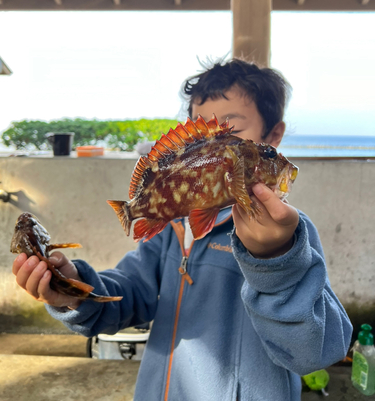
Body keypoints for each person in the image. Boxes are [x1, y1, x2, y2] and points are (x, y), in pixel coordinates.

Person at [12, 59, 352, 401]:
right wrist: (72, 292)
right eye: (201, 134)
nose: (215, 148)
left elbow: (318, 352)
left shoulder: (289, 241)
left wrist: (276, 262)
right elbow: (125, 296)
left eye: (230, 132)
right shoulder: (171, 228)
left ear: (273, 136)